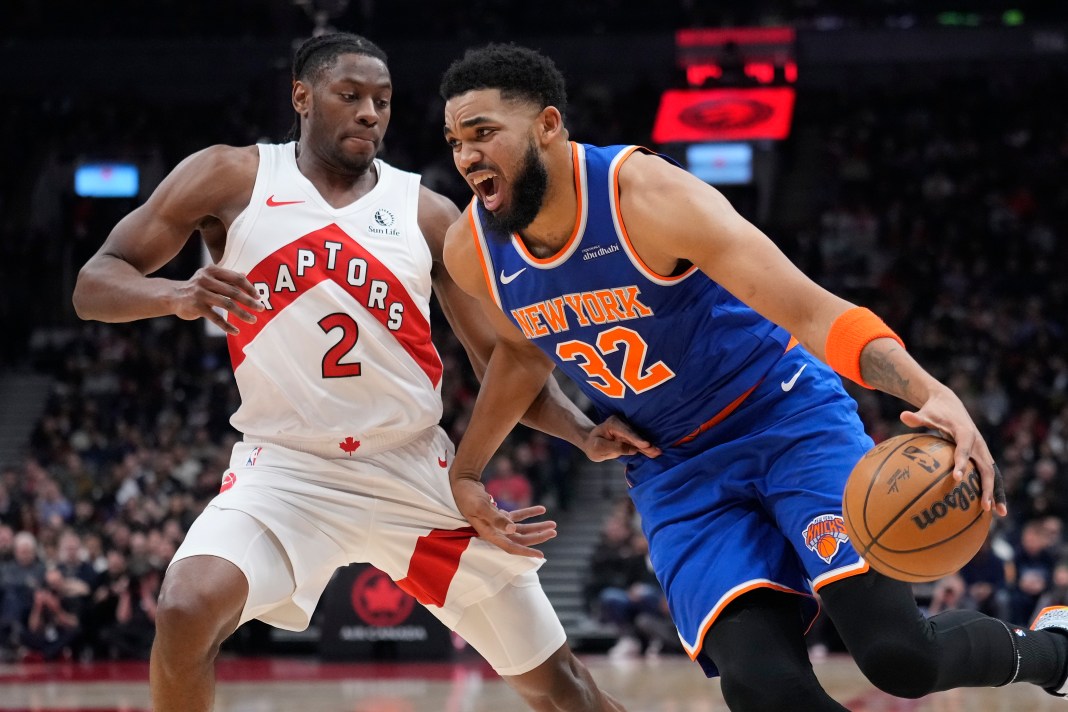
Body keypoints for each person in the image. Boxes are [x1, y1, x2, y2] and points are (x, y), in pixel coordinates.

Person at [438, 43, 1068, 710]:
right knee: (763, 687)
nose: (467, 156)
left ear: (546, 125)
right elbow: (519, 354)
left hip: (782, 416)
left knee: (899, 656)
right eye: (454, 141)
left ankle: (1057, 649)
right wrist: (477, 467)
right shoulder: (473, 249)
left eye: (483, 133)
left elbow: (810, 311)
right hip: (677, 464)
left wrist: (932, 392)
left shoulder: (647, 198)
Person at [72, 32, 651, 712]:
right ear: (302, 96)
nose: (370, 113)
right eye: (350, 97)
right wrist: (176, 295)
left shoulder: (429, 213)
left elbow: (500, 361)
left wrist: (582, 434)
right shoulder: (231, 177)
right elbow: (94, 284)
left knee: (564, 691)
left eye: (382, 100)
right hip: (288, 470)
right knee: (185, 606)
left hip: (412, 470)